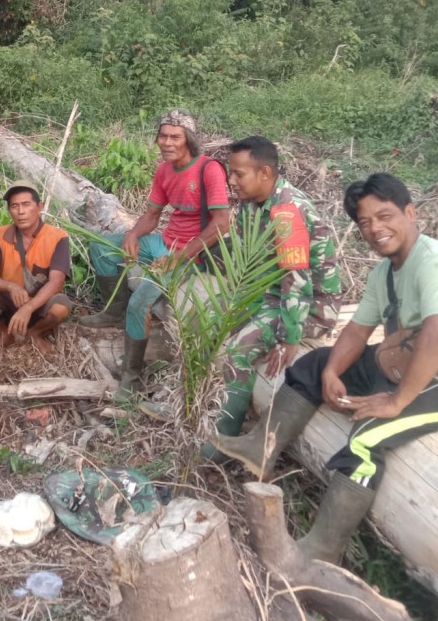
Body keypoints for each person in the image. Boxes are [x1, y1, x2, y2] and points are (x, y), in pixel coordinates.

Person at [212, 172, 438, 564]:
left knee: (366, 437)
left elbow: (437, 337)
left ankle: (324, 549)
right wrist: (331, 372)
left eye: (385, 216)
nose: (375, 229)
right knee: (313, 363)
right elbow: (358, 330)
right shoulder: (384, 272)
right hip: (406, 364)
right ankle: (260, 450)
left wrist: (397, 402)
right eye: (365, 223)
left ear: (410, 213)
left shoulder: (437, 264)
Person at [141, 136, 342, 455]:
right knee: (199, 319)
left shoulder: (287, 211)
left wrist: (290, 336)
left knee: (238, 351)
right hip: (264, 291)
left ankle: (224, 439)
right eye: (229, 173)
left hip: (306, 304)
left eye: (238, 174)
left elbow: (297, 279)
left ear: (264, 172)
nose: (231, 181)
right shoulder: (250, 205)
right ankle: (187, 402)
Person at [80, 109, 231, 396]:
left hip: (194, 255)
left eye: (175, 136)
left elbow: (222, 224)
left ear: (189, 140)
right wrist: (134, 235)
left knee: (142, 300)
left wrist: (180, 256)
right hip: (164, 241)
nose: (167, 142)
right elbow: (151, 216)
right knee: (101, 246)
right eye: (163, 135)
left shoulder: (208, 170)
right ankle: (114, 310)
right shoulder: (164, 170)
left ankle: (131, 378)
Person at [0, 180, 72, 359]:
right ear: (9, 210)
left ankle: (35, 333)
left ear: (39, 206)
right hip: (7, 304)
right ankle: (5, 334)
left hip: (39, 306)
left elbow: (57, 282)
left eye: (26, 204)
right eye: (14, 206)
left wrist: (29, 307)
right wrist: (11, 287)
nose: (21, 211)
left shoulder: (58, 237)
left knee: (61, 307)